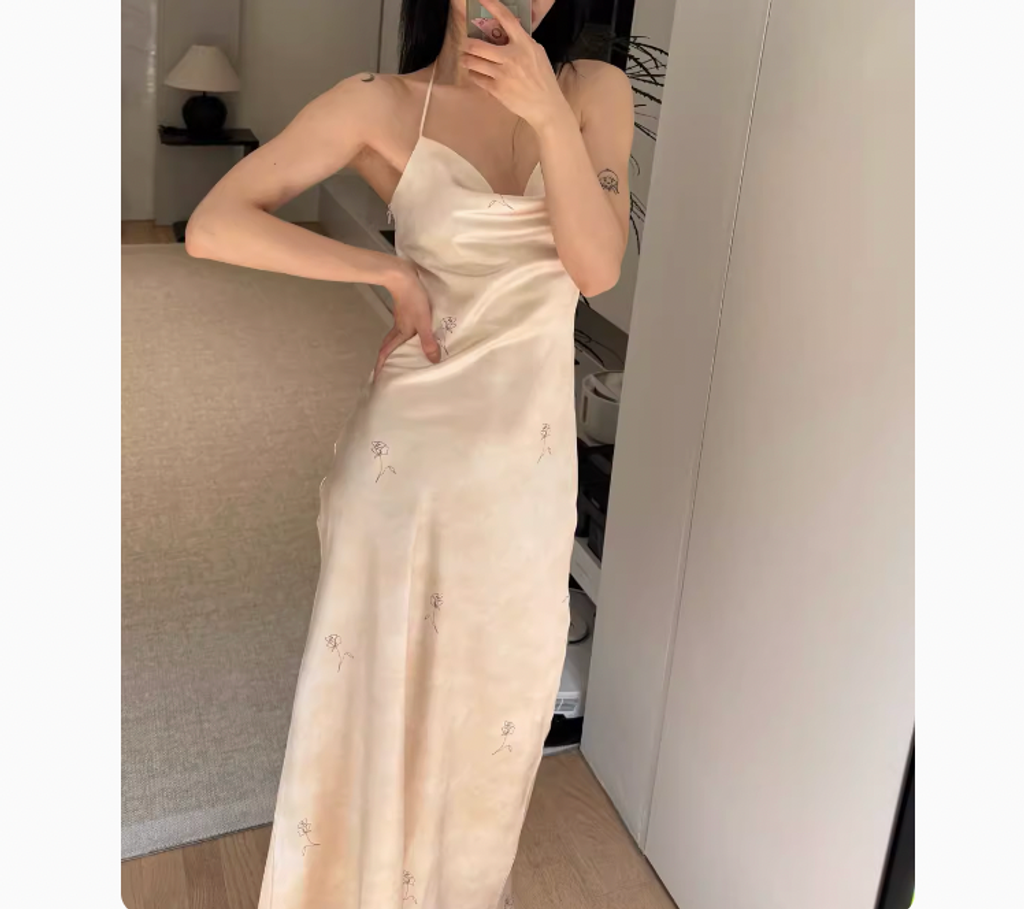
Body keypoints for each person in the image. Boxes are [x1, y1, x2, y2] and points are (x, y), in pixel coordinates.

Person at [186, 0, 633, 905]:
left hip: (526, 488)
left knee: (495, 727)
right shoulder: (380, 102)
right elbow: (214, 223)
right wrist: (384, 269)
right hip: (404, 477)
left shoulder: (592, 92)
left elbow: (596, 268)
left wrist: (548, 115)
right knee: (369, 725)